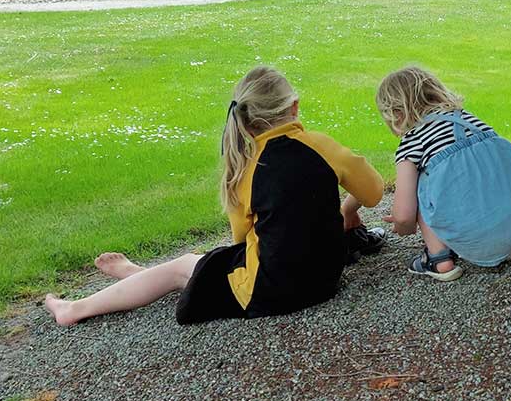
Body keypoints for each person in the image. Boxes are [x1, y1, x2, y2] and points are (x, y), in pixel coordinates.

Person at [45, 66, 384, 325]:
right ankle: (139, 275)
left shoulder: (246, 168)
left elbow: (241, 241)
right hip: (325, 279)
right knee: (198, 269)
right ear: (294, 107)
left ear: (244, 121)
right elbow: (374, 192)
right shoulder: (322, 146)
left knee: (184, 267)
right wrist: (345, 210)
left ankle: (76, 308)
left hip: (272, 292)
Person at [344, 65, 511, 281]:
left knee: (420, 183)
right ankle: (497, 246)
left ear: (396, 113)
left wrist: (403, 224)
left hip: (472, 230)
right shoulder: (468, 119)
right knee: (477, 173)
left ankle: (439, 259)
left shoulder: (412, 142)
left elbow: (404, 215)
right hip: (510, 224)